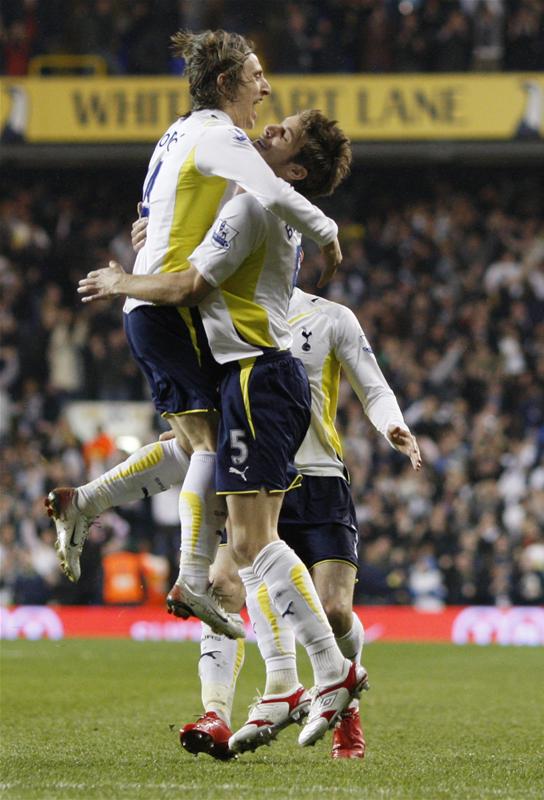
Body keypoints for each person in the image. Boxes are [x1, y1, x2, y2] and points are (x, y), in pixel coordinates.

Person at [78, 108, 369, 748]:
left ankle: (328, 674)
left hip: (257, 380)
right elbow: (204, 265)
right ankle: (299, 683)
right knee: (242, 541)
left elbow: (187, 285)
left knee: (252, 542)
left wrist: (124, 280)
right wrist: (156, 232)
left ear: (294, 169)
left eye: (282, 133)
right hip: (260, 380)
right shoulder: (255, 207)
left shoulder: (252, 210)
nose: (266, 130)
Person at [47, 29, 343, 642]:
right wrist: (329, 230)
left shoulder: (175, 134)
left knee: (188, 447)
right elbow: (270, 190)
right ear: (226, 83)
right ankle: (192, 577)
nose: (265, 88)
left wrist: (146, 240)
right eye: (256, 76)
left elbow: (155, 211)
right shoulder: (221, 136)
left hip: (152, 307)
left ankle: (87, 503)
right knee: (209, 447)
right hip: (166, 308)